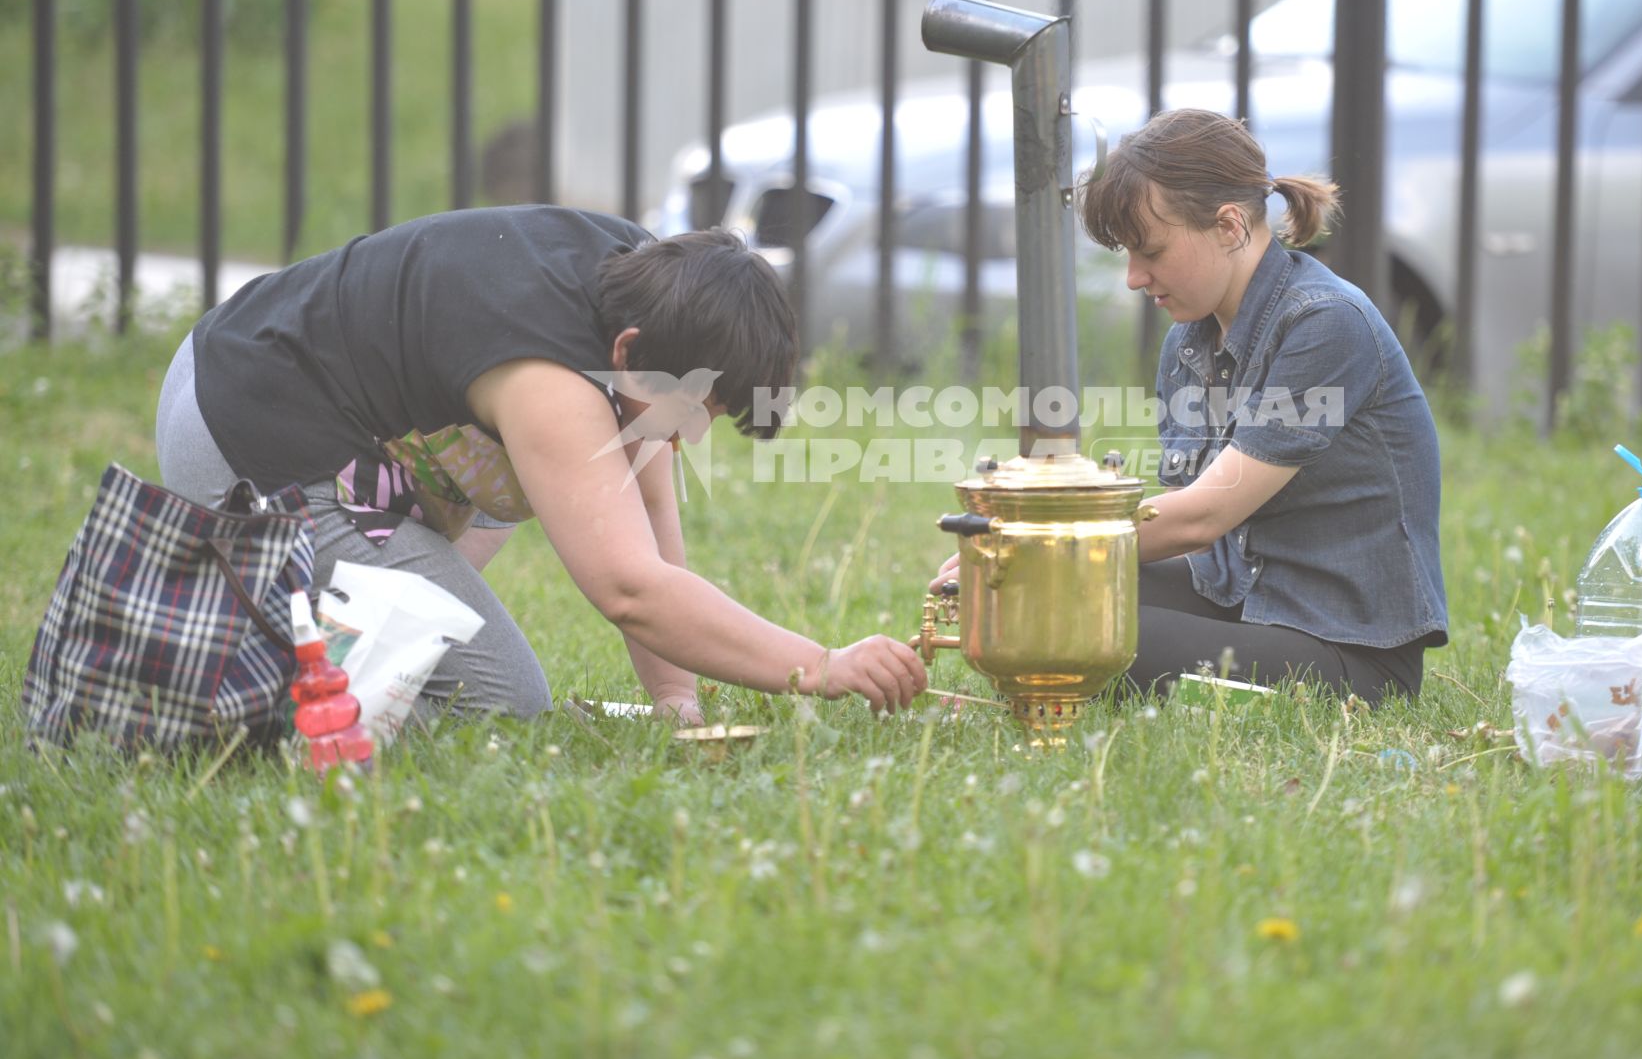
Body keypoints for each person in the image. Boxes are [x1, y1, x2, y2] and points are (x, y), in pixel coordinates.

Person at [156, 205, 927, 724]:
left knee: (566, 481)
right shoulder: (547, 375)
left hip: (270, 375)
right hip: (243, 430)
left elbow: (650, 519)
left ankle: (321, 629)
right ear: (628, 354)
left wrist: (678, 705)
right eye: (693, 410)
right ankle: (236, 684)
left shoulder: (648, 287)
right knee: (500, 700)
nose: (690, 437)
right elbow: (632, 587)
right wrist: (823, 666)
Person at [934, 109, 1446, 703]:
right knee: (1040, 601)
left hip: (1347, 648)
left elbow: (1205, 515)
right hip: (1239, 599)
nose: (1132, 277)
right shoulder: (1188, 338)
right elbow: (1186, 520)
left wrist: (1036, 546)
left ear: (1229, 226)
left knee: (1079, 629)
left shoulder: (1326, 323)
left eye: (1148, 250)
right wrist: (1036, 564)